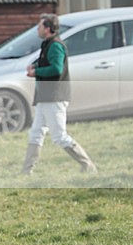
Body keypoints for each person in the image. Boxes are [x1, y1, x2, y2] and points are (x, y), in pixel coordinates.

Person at [22, 13, 96, 174]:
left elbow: (56, 69)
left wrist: (36, 72)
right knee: (36, 133)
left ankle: (88, 166)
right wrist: (34, 67)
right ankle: (27, 171)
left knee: (59, 136)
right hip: (45, 97)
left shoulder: (55, 45)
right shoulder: (48, 44)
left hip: (54, 97)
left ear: (47, 29)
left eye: (40, 25)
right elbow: (46, 61)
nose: (37, 28)